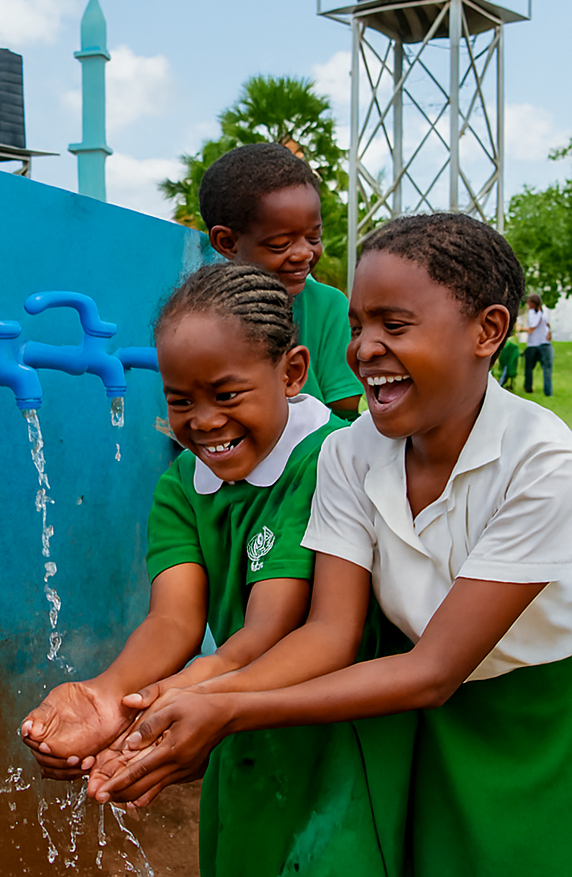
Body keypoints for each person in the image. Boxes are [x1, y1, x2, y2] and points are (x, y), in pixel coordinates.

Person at [93, 213, 572, 875]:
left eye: (393, 326)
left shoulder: (544, 465)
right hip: (401, 715)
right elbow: (330, 634)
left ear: (487, 331)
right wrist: (198, 701)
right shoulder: (352, 453)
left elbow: (434, 671)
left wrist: (226, 708)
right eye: (357, 326)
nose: (365, 348)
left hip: (533, 719)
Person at [18, 263, 407, 876]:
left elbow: (267, 631)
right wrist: (110, 694)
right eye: (180, 400)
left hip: (338, 730)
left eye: (227, 395)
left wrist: (174, 693)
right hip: (235, 724)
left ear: (292, 373)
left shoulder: (329, 460)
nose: (203, 420)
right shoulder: (181, 485)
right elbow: (173, 619)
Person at [200, 143, 364, 420]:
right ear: (226, 242)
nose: (304, 253)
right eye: (280, 244)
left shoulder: (328, 306)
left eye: (314, 238)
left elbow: (348, 411)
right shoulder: (203, 316)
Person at [522, 292, 553, 395]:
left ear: (533, 303)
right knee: (546, 369)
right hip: (542, 343)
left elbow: (532, 326)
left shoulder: (535, 313)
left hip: (535, 344)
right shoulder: (543, 312)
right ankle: (546, 391)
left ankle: (530, 388)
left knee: (530, 368)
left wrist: (519, 329)